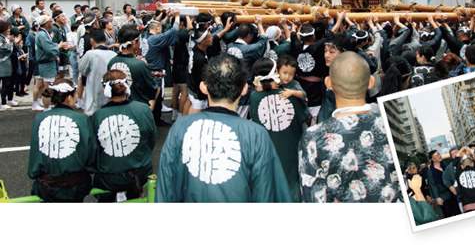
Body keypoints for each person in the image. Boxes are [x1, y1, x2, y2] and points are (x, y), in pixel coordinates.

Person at [155, 54, 292, 202]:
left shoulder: (180, 127)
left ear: (204, 87)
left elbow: (165, 186)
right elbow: (267, 192)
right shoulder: (256, 134)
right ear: (244, 89)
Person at [298, 52, 400, 203]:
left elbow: (312, 196)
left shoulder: (312, 136)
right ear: (371, 82)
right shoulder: (390, 123)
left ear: (328, 83)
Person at [91, 69, 156, 202]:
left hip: (109, 176)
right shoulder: (143, 109)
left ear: (105, 89)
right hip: (140, 173)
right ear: (127, 85)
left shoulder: (97, 116)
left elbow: (94, 149)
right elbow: (151, 140)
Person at [250, 58, 309, 201]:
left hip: (266, 147)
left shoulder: (254, 96)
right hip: (290, 144)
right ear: (275, 71)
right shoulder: (289, 93)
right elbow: (303, 115)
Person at [27, 79, 96, 202]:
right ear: (69, 98)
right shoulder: (82, 119)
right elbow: (90, 153)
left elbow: (35, 152)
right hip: (76, 184)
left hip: (47, 184)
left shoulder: (40, 118)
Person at [107, 24, 159, 109]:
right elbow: (152, 88)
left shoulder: (111, 62)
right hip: (137, 107)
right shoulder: (140, 64)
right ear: (134, 43)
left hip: (116, 106)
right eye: (139, 40)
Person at [226, 15, 267, 118]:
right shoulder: (248, 50)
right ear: (249, 36)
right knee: (240, 116)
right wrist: (259, 24)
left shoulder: (229, 46)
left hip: (229, 85)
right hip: (243, 87)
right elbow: (262, 41)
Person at [78, 29, 117, 116]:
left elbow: (81, 69)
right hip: (110, 92)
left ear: (91, 41)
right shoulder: (113, 54)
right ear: (106, 40)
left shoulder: (90, 54)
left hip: (93, 90)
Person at [35, 15, 69, 111]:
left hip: (48, 63)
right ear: (46, 24)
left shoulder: (43, 33)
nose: (51, 23)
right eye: (50, 21)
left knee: (47, 85)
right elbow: (48, 48)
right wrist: (59, 46)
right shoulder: (42, 34)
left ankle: (47, 107)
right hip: (46, 63)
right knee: (48, 88)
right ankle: (47, 108)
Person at [426, 150, 460, 218]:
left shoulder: (445, 165)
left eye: (439, 154)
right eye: (437, 155)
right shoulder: (431, 171)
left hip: (453, 192)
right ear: (433, 159)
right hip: (443, 196)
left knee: (458, 212)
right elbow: (433, 185)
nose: (439, 156)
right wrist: (437, 197)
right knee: (448, 215)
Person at [0, 21, 17, 109]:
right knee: (5, 84)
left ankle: (10, 99)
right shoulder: (1, 38)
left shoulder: (6, 38)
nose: (9, 30)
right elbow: (4, 49)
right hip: (2, 64)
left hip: (9, 63)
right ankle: (3, 102)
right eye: (8, 28)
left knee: (10, 82)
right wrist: (10, 43)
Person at [50, 10, 70, 82]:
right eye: (62, 16)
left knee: (62, 73)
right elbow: (53, 43)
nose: (64, 18)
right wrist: (56, 55)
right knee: (57, 75)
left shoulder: (62, 28)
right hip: (58, 53)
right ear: (57, 18)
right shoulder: (54, 28)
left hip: (64, 53)